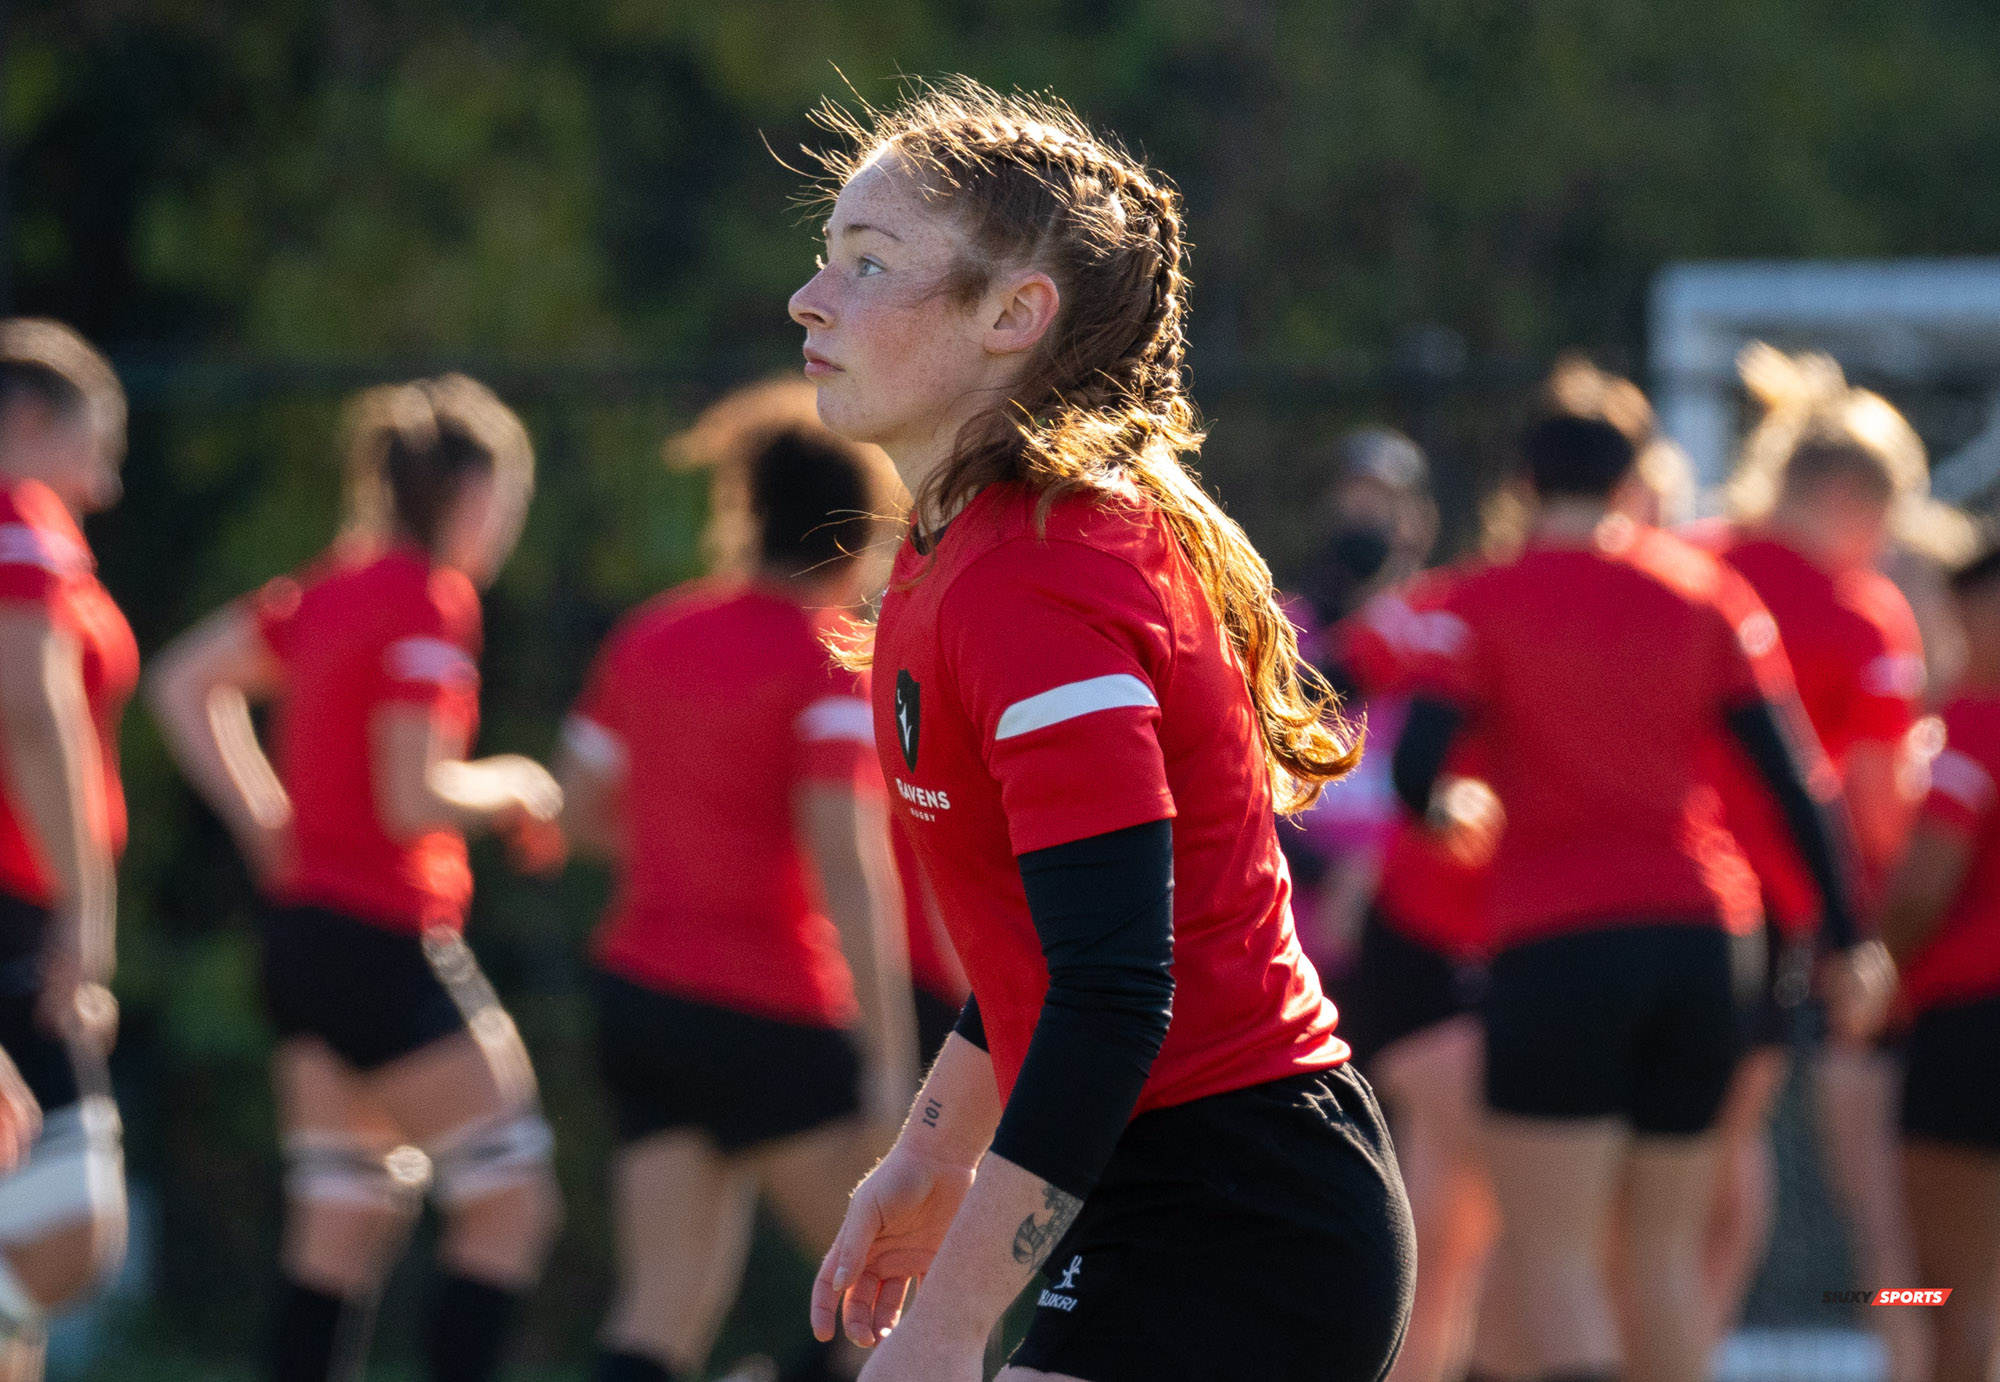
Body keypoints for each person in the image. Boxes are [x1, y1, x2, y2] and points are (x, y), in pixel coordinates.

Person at [790, 78, 1414, 1382]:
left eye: (868, 263)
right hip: (1169, 1195)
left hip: (1246, 1212)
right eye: (823, 257)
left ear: (1015, 316)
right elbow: (1047, 943)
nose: (810, 298)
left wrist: (956, 1318)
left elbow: (1119, 986)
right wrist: (928, 1152)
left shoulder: (1040, 572)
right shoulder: (959, 550)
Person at [1394, 357, 1885, 1382]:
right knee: (1664, 1250)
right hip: (1707, 938)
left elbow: (1413, 765)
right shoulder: (1702, 591)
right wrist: (1848, 938)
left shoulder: (1483, 598)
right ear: (1632, 475)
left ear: (1522, 479)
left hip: (1558, 937)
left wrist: (1447, 810)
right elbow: (1798, 784)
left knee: (1554, 1251)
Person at [147, 375, 563, 1382]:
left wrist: (263, 823)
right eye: (504, 500)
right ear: (469, 497)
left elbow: (182, 678)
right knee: (511, 1201)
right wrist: (518, 786)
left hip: (299, 937)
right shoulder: (427, 595)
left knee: (342, 1214)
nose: (503, 526)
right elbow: (413, 794)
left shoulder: (333, 584)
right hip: (383, 936)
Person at [552, 379, 920, 1382]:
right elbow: (847, 856)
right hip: (768, 1012)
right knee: (894, 1291)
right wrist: (888, 1062)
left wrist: (686, 829)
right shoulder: (823, 663)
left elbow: (576, 812)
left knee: (659, 1304)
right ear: (855, 534)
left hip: (640, 998)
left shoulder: (651, 635)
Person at [1702, 344, 1953, 1380]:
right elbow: (1877, 804)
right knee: (1885, 1221)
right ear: (1851, 494)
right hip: (1842, 940)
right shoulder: (1858, 612)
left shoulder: (1691, 564)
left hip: (1675, 915)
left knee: (1686, 1173)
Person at [0, 320, 133, 1378]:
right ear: (31, 421)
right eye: (98, 447)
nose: (106, 484)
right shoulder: (18, 517)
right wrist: (87, 917)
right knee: (68, 1222)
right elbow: (34, 712)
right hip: (18, 901)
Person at [1879, 543, 2000, 1382]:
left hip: (1971, 1023)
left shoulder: (1973, 725)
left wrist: (1871, 963)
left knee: (1946, 1289)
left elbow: (1925, 886)